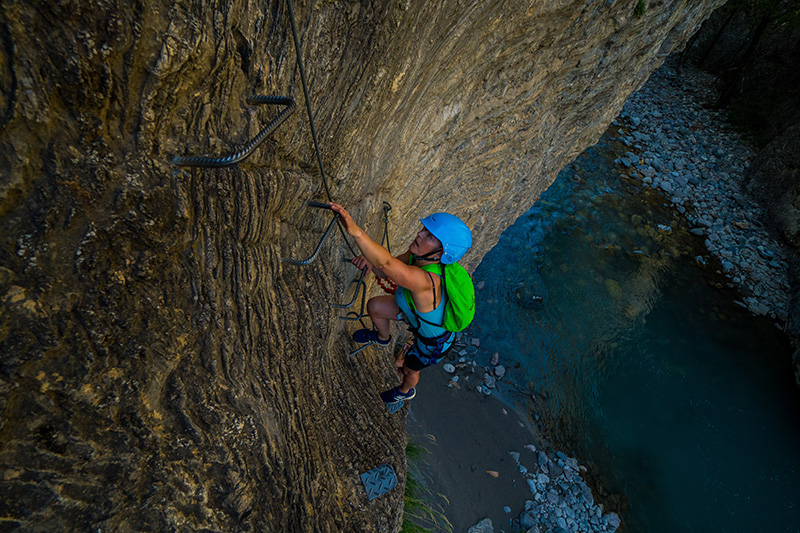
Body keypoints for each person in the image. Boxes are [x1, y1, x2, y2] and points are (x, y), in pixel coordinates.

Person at [330, 202, 472, 404]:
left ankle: (405, 391)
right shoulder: (417, 256)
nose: (420, 234)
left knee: (409, 368)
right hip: (412, 313)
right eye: (425, 230)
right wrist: (369, 262)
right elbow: (386, 269)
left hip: (431, 343)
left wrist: (357, 233)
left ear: (440, 254)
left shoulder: (427, 282)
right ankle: (382, 338)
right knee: (375, 307)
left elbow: (386, 263)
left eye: (430, 236)